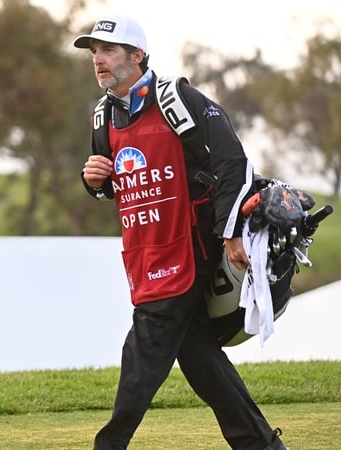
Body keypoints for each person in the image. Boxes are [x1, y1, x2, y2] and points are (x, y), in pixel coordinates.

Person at [75, 14, 287, 450]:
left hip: (190, 245)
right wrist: (96, 183)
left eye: (108, 50)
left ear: (137, 55)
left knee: (143, 353)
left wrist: (229, 234)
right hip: (146, 250)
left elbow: (233, 162)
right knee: (199, 359)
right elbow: (124, 184)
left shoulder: (177, 97)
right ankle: (262, 445)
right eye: (94, 51)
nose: (98, 59)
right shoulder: (102, 117)